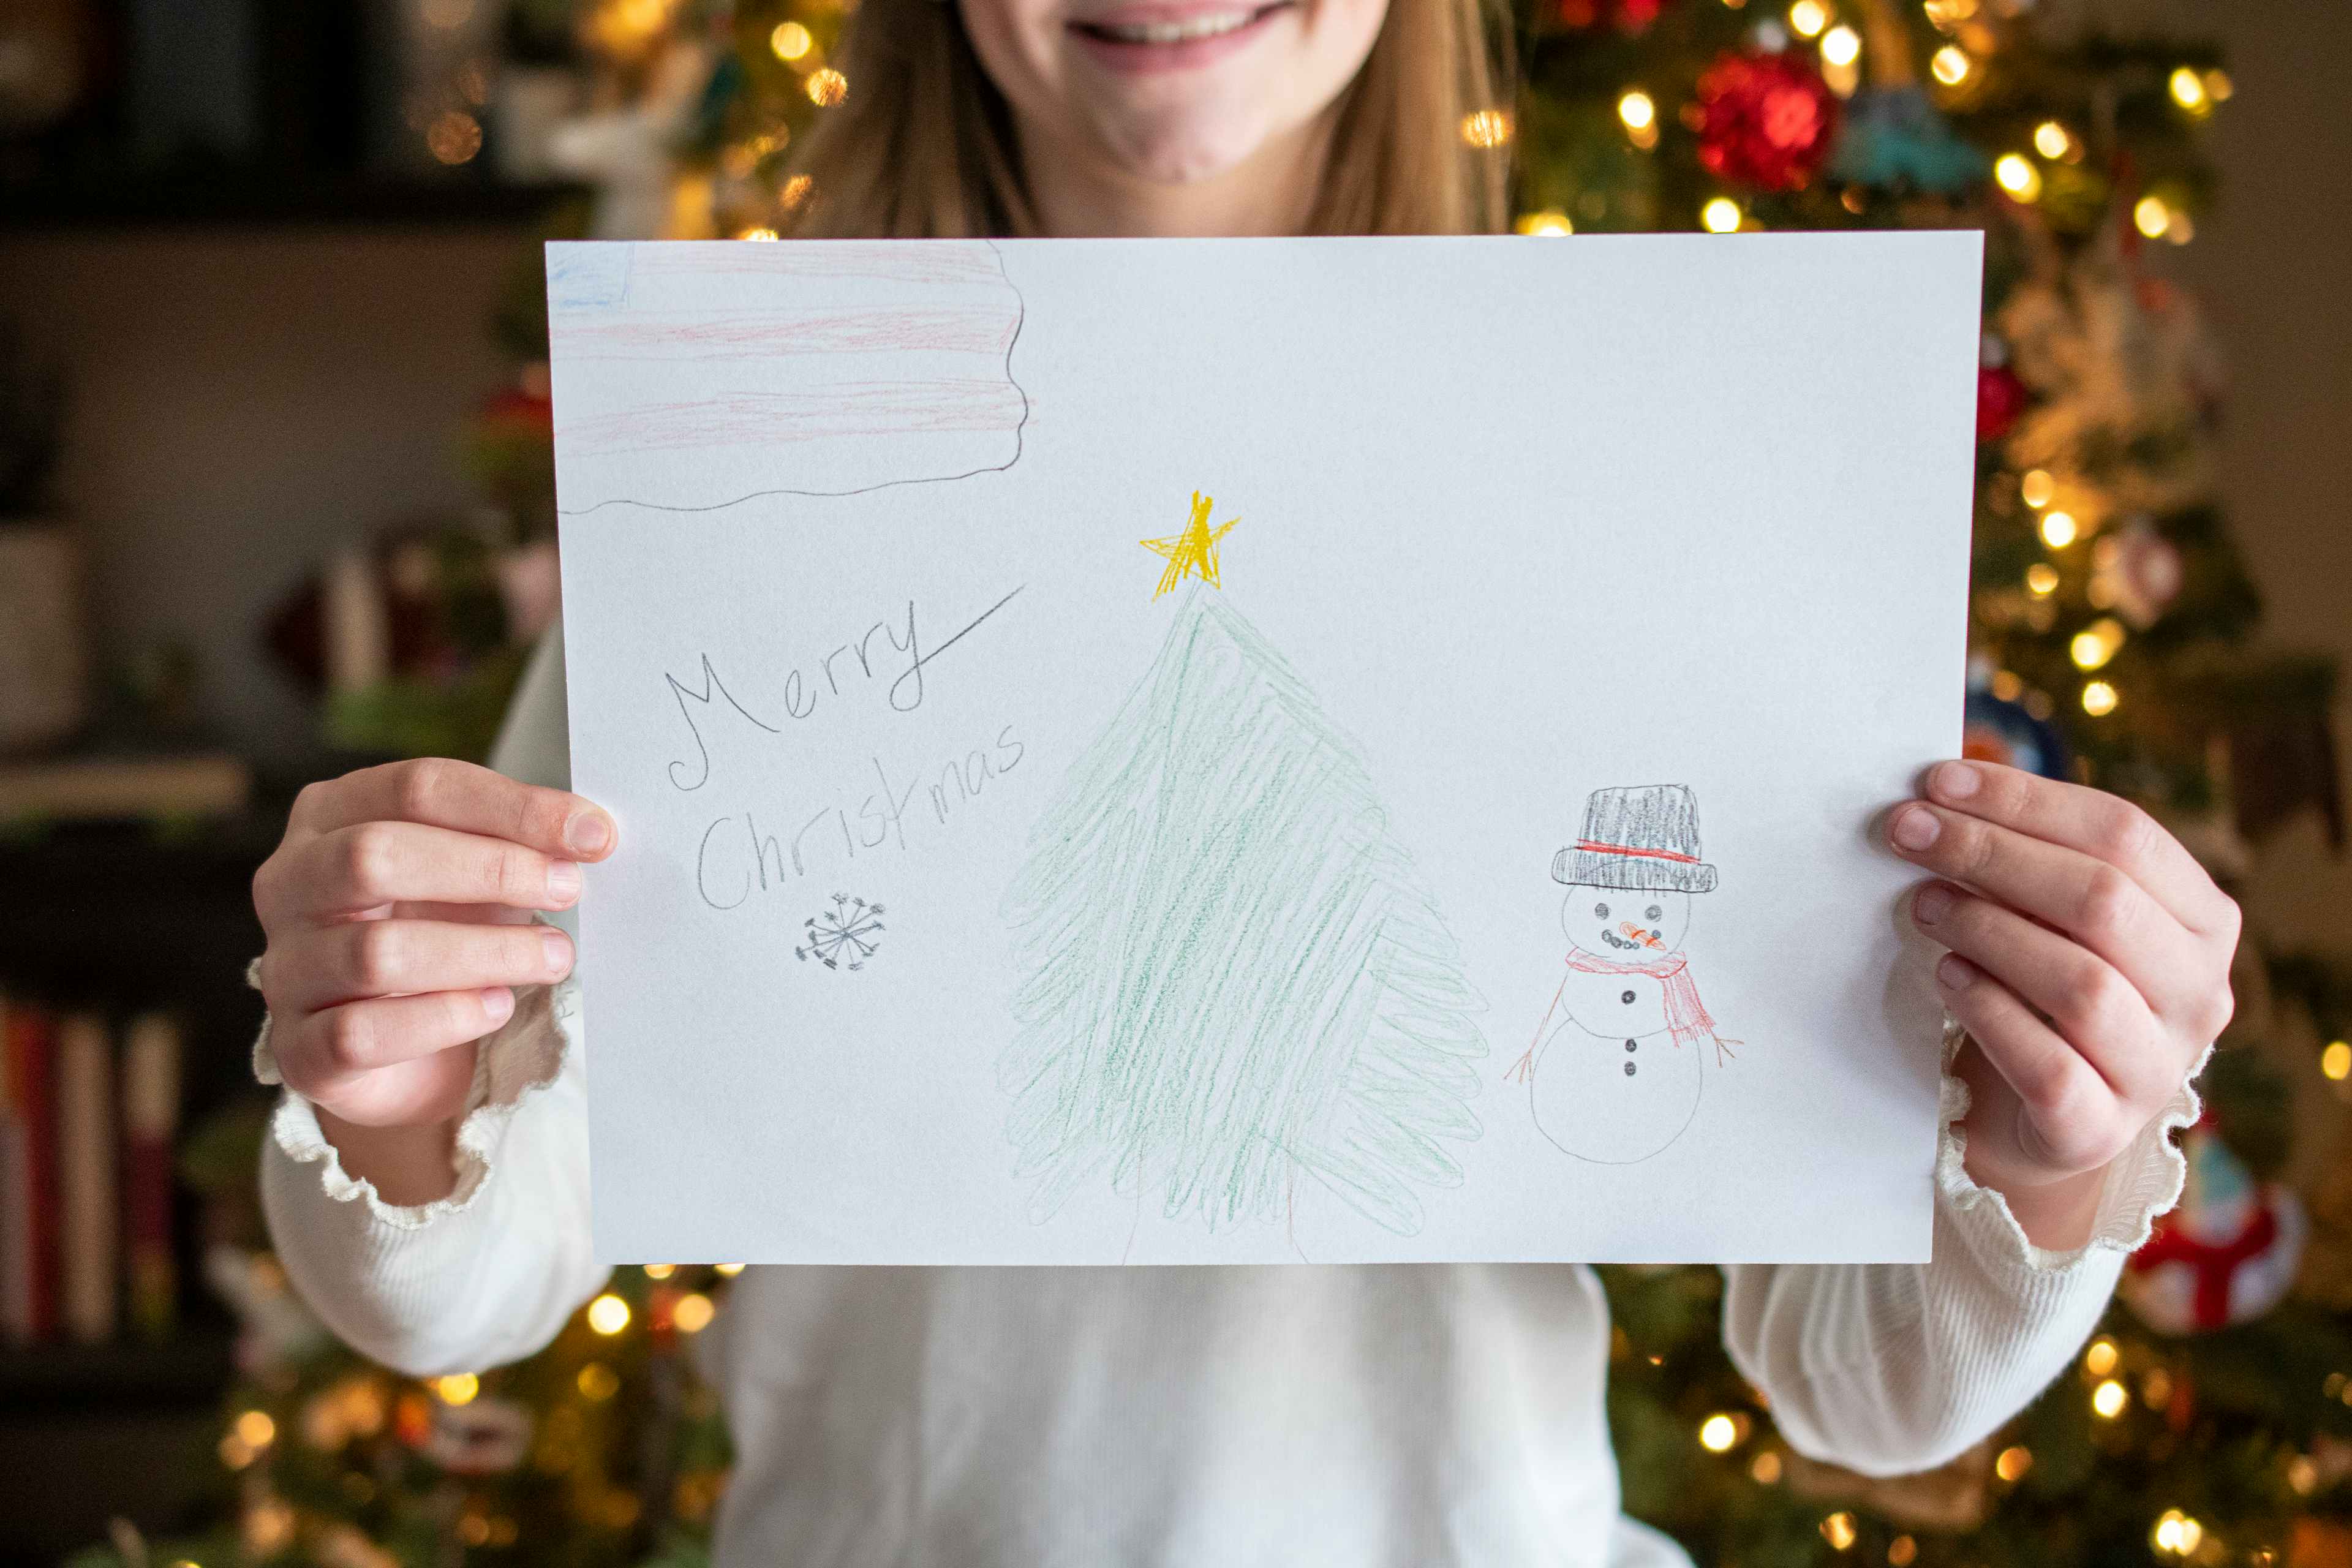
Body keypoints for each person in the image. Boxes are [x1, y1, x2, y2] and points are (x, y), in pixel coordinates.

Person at [249, 2, 2238, 1561]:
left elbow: (1870, 1383)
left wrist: (2056, 1147)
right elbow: (469, 1282)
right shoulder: (737, 524)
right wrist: (408, 1106)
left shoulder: (1641, 473)